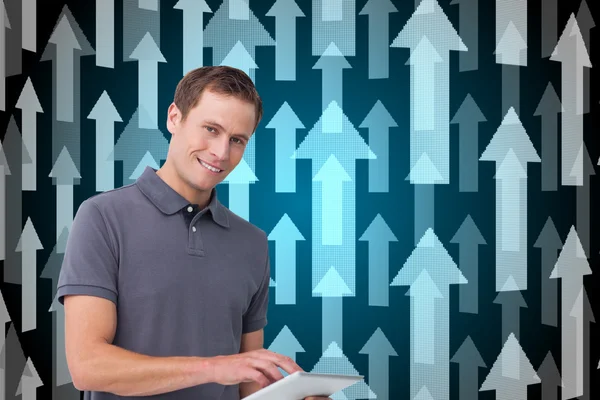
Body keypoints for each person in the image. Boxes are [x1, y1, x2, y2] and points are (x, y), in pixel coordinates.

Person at [57, 66, 332, 400]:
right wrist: (213, 368)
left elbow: (245, 383)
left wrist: (291, 397)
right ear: (175, 117)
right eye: (211, 129)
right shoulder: (102, 217)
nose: (221, 152)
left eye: (237, 140)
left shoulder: (253, 243)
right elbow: (88, 367)